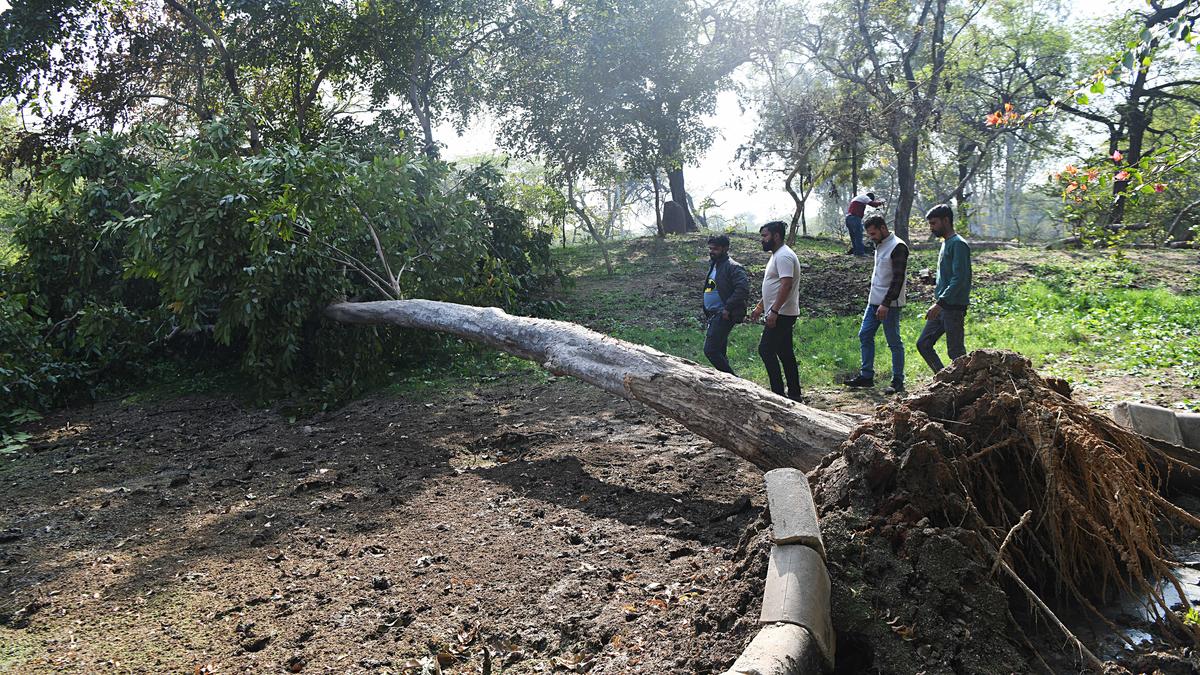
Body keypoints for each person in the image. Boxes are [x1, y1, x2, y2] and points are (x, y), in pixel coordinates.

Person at [844, 216, 909, 394]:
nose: (871, 237)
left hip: (890, 304)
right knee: (864, 334)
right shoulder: (880, 244)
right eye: (869, 234)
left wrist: (886, 304)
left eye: (873, 233)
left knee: (893, 341)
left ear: (882, 228)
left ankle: (898, 380)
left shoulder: (898, 246)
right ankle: (866, 376)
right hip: (874, 301)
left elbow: (898, 279)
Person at [750, 221, 803, 401]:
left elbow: (786, 284)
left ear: (776, 236)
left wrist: (774, 311)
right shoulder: (777, 255)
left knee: (765, 349)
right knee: (785, 353)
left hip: (782, 313)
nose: (762, 240)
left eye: (765, 236)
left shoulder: (784, 256)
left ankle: (778, 394)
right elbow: (773, 286)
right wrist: (760, 307)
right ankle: (794, 394)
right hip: (780, 311)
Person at [916, 204, 972, 373]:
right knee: (924, 344)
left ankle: (968, 386)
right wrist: (933, 281)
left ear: (946, 220)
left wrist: (939, 304)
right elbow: (949, 276)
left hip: (952, 307)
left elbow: (960, 278)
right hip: (943, 304)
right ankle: (944, 380)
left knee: (956, 353)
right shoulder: (945, 243)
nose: (931, 228)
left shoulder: (958, 244)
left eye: (933, 223)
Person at [702, 234, 749, 374]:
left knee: (711, 350)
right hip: (713, 314)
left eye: (715, 249)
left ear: (725, 248)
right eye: (710, 248)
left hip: (723, 314)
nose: (711, 251)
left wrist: (727, 308)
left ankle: (736, 383)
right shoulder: (714, 265)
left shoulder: (733, 267)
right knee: (720, 352)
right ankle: (728, 384)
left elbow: (742, 289)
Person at [845, 192, 885, 257]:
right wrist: (881, 202)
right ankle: (860, 253)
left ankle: (856, 252)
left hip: (848, 218)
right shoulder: (865, 197)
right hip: (855, 218)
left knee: (853, 236)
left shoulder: (857, 198)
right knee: (858, 235)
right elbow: (873, 204)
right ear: (869, 198)